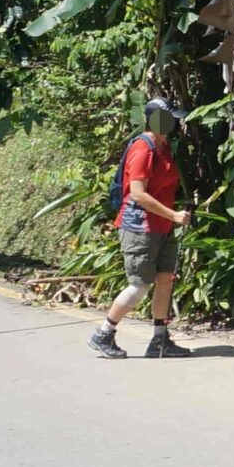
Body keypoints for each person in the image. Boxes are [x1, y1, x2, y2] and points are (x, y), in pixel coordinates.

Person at [89, 96, 193, 359]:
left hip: (162, 225)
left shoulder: (164, 145)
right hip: (140, 226)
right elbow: (137, 194)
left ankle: (160, 340)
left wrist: (172, 216)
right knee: (139, 286)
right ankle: (103, 333)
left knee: (165, 280)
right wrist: (173, 214)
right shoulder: (143, 148)